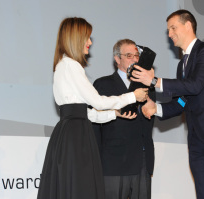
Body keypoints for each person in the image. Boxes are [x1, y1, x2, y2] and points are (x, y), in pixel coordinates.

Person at [131, 10, 204, 199]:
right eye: (168, 30)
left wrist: (154, 81)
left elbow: (195, 85)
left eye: (173, 28)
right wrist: (156, 108)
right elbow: (184, 100)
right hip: (197, 141)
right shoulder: (181, 65)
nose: (169, 34)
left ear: (188, 25)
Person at [37, 17, 148, 199]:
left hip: (72, 134)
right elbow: (97, 102)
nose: (89, 42)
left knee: (74, 187)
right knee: (80, 188)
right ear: (75, 38)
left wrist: (114, 113)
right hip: (76, 137)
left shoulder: (63, 65)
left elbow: (85, 113)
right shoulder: (71, 66)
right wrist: (132, 96)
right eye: (87, 37)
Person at [92, 39, 156, 199]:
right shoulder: (102, 85)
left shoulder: (147, 84)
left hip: (142, 161)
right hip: (113, 163)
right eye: (129, 55)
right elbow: (94, 126)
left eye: (137, 56)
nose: (135, 59)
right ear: (117, 59)